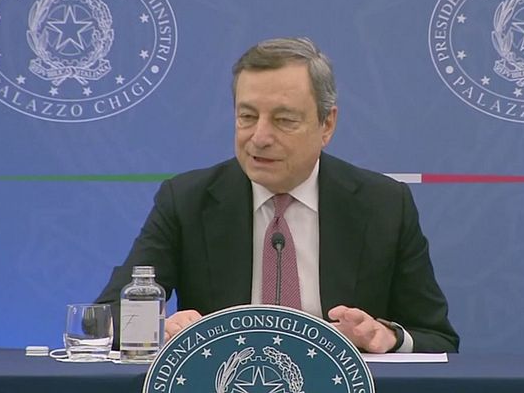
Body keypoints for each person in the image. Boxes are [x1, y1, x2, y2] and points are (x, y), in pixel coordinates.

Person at [95, 37, 459, 353]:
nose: (260, 137)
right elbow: (108, 316)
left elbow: (437, 337)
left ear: (327, 124)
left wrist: (387, 337)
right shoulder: (187, 200)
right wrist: (160, 329)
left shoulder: (384, 204)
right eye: (247, 116)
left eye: (284, 120)